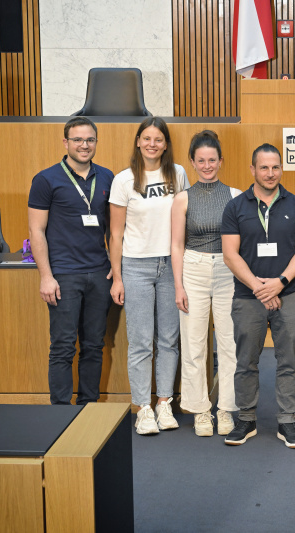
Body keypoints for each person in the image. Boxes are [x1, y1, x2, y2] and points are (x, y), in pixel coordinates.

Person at [221, 143, 295, 448]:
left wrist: (280, 283)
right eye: (264, 167)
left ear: (281, 169)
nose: (270, 174)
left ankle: (287, 422)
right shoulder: (235, 207)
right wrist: (261, 288)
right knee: (246, 361)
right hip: (248, 297)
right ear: (252, 170)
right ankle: (245, 420)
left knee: (289, 360)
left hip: (289, 294)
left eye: (275, 167)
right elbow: (230, 255)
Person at [109, 117, 190, 435]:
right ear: (138, 141)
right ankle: (143, 407)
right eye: (147, 138)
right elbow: (115, 235)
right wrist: (117, 277)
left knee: (169, 340)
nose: (152, 144)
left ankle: (164, 403)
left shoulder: (178, 174)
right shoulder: (123, 180)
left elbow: (182, 224)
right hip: (136, 267)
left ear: (166, 144)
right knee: (141, 342)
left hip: (171, 266)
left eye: (158, 139)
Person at [28, 117, 115, 405]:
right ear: (65, 142)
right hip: (63, 276)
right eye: (77, 139)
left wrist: (115, 269)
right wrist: (46, 276)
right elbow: (36, 230)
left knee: (94, 346)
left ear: (96, 142)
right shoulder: (46, 179)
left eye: (89, 140)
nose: (84, 145)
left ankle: (88, 408)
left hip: (100, 275)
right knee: (63, 346)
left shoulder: (107, 178)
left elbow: (114, 230)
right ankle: (61, 413)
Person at [171, 130, 241, 437]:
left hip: (228, 271)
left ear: (221, 161)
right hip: (193, 269)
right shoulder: (182, 198)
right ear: (192, 162)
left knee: (229, 342)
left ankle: (225, 407)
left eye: (212, 159)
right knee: (194, 343)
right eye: (201, 160)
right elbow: (176, 245)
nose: (207, 165)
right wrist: (178, 286)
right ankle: (200, 410)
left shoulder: (237, 196)